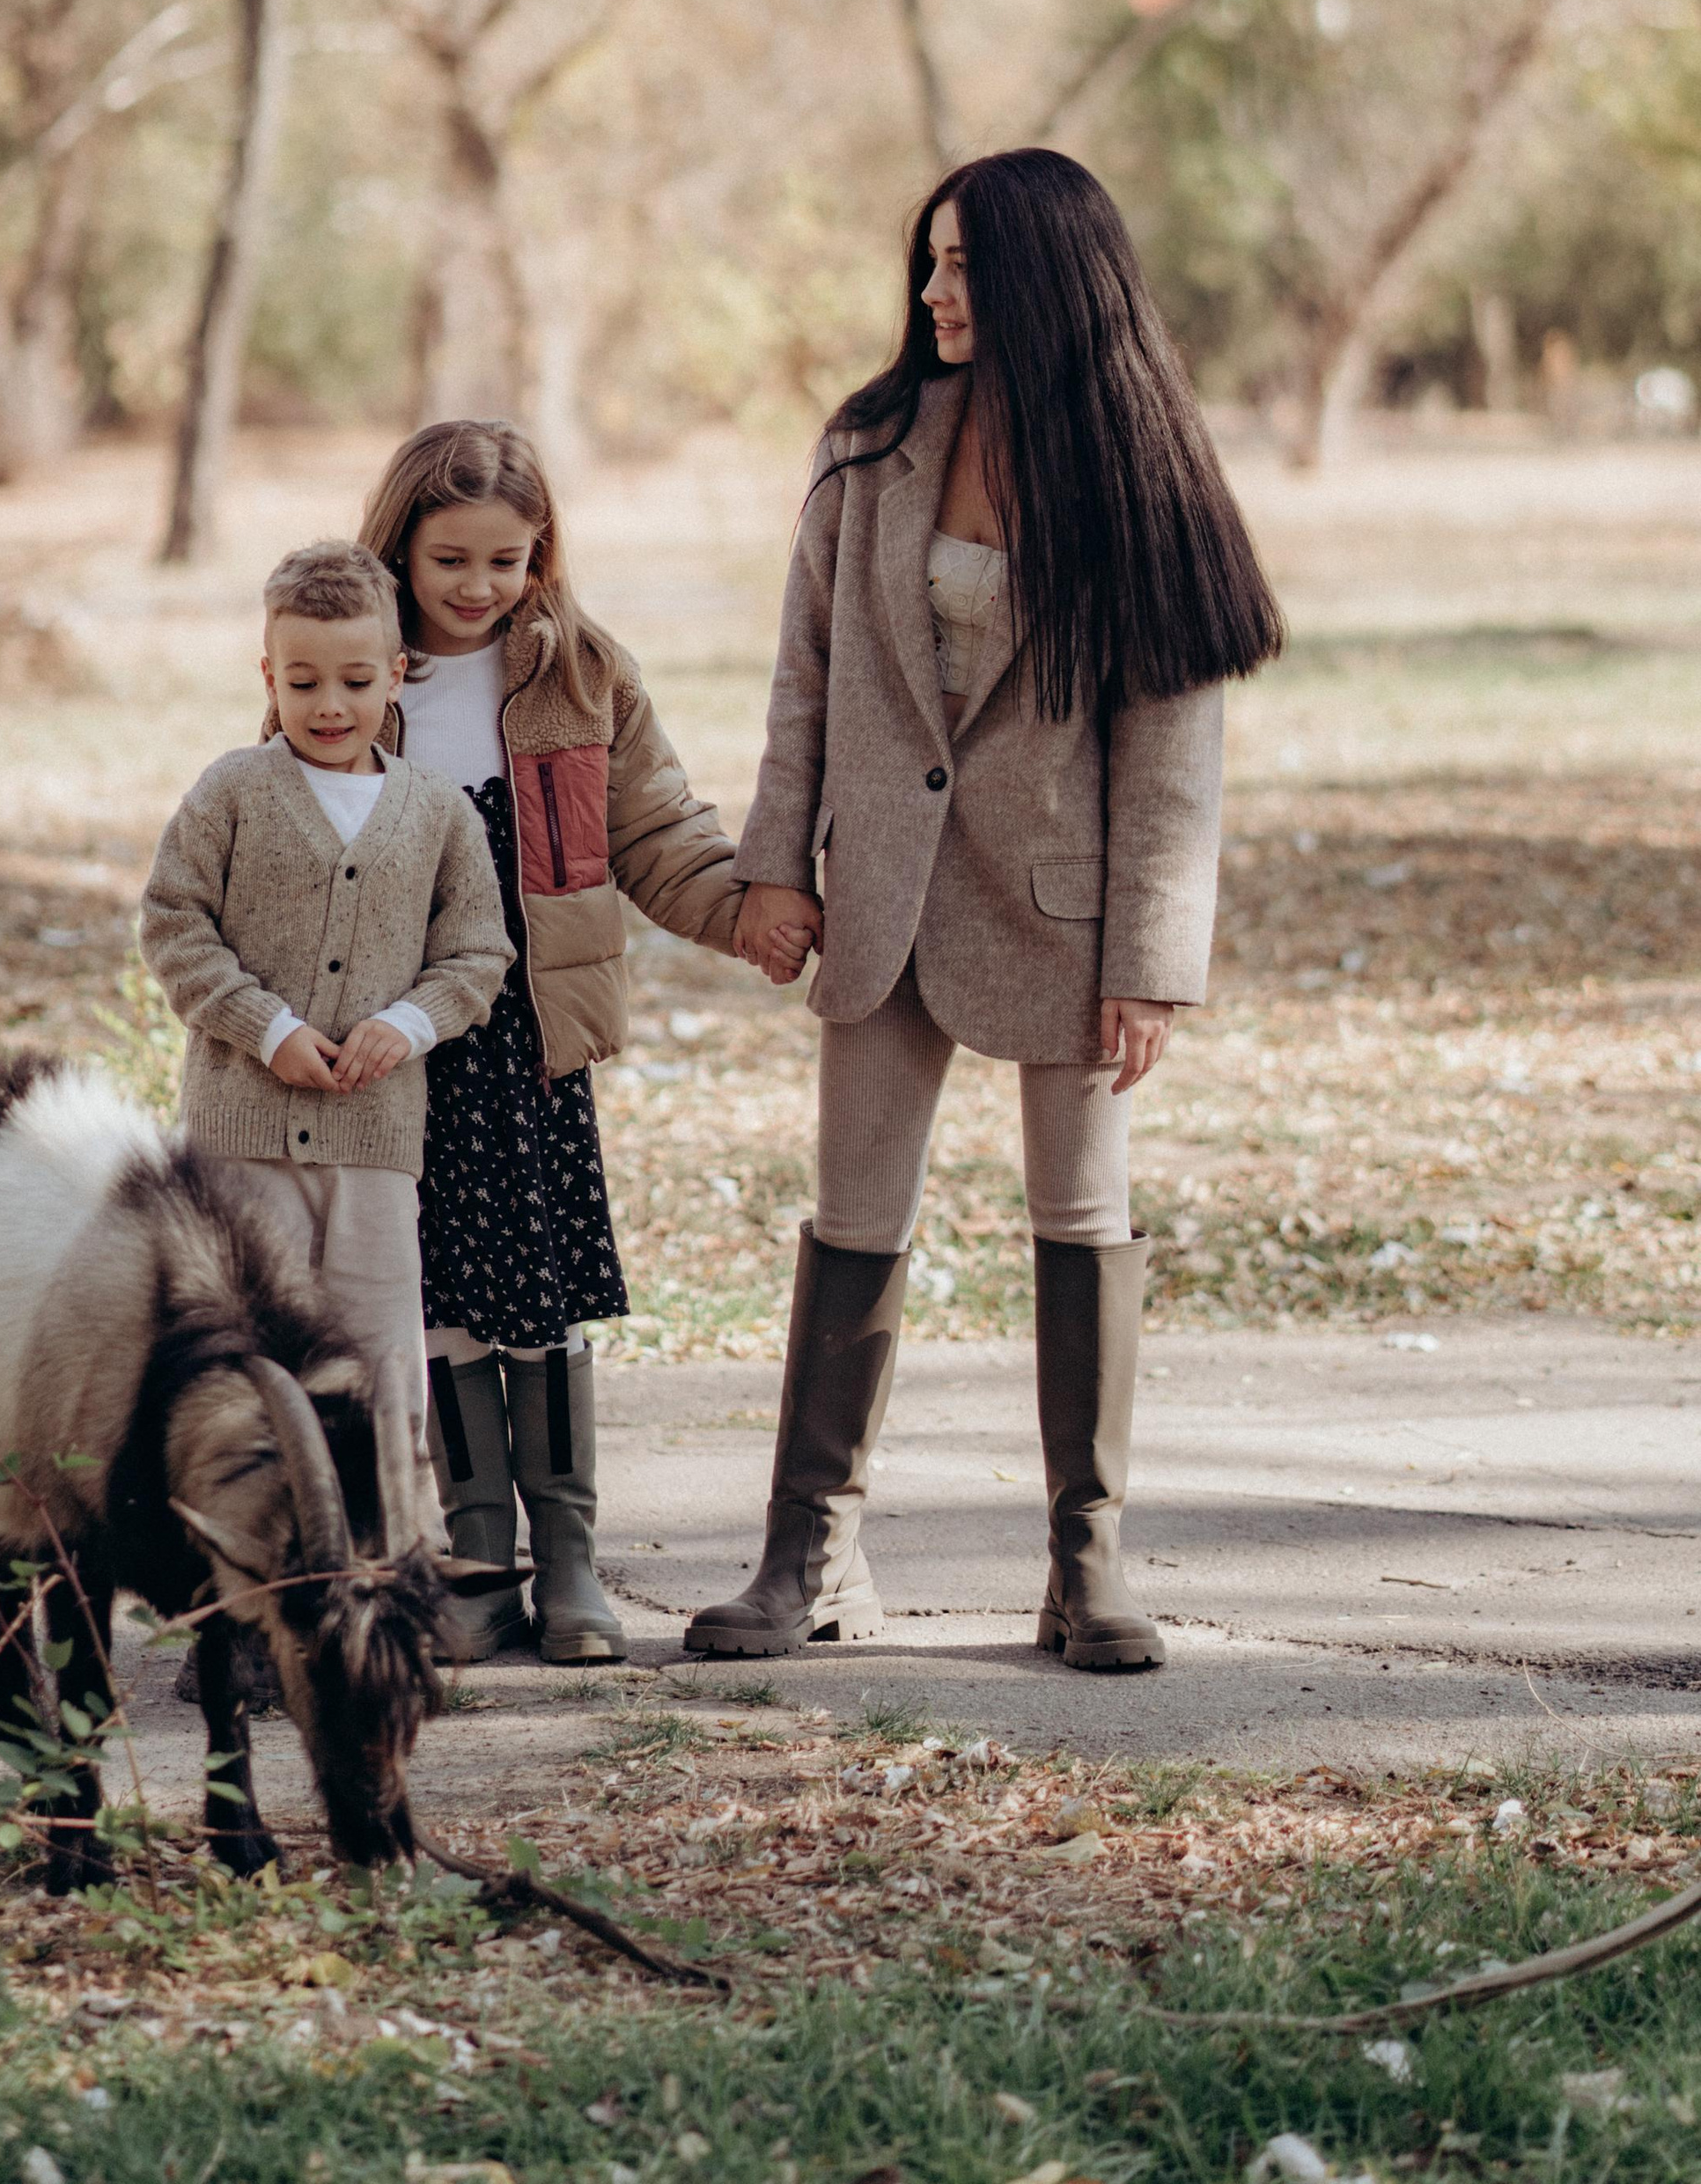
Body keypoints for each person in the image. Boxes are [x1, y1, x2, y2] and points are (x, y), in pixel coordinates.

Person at [684, 149, 1283, 1673]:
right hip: (878, 890)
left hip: (1064, 917)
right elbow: (804, 675)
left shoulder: (1138, 466)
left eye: (966, 266)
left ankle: (1089, 1567)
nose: (937, 292)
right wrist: (775, 861)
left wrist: (1150, 958)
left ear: (1047, 279)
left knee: (1083, 1218)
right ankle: (808, 1560)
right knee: (853, 1213)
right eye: (930, 263)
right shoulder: (870, 446)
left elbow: (1172, 747)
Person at [359, 417, 765, 1666]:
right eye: (452, 562)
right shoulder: (359, 673)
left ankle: (572, 1560)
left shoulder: (581, 672)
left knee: (539, 1299)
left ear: (543, 554)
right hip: (406, 1045)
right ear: (401, 553)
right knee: (438, 1303)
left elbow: (655, 833)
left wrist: (751, 914)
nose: (481, 586)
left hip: (532, 1042)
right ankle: (477, 1561)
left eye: (507, 559)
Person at [138, 537, 512, 1422]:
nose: (330, 704)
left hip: (374, 1139)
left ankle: (387, 1541)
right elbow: (171, 922)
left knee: (380, 1353)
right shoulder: (232, 790)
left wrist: (410, 1023)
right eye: (302, 682)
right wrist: (268, 1028)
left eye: (354, 680)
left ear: (396, 672)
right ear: (268, 674)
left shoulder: (436, 811)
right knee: (240, 1346)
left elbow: (478, 952)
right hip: (243, 1133)